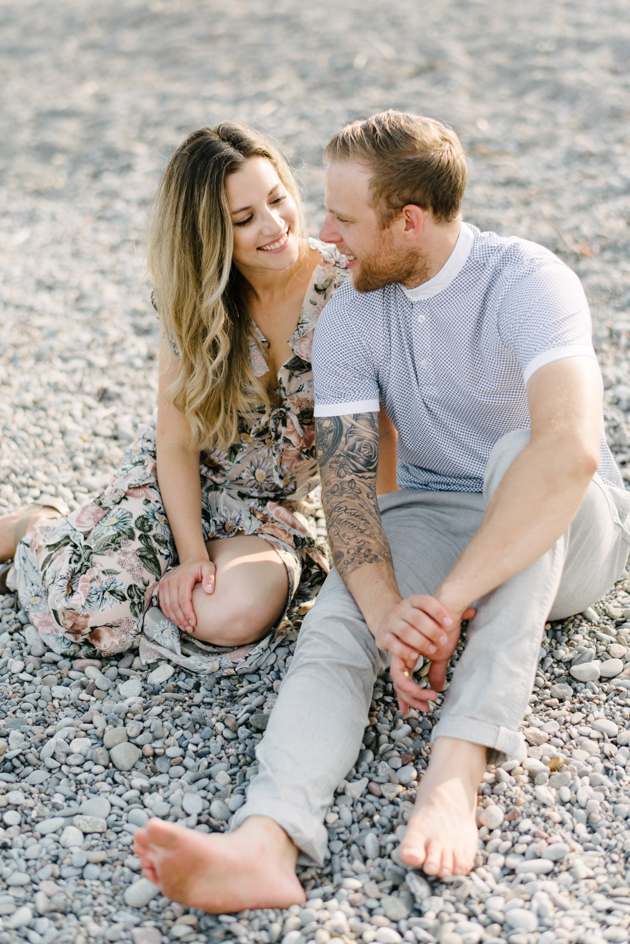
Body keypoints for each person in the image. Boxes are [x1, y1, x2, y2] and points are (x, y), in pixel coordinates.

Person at [133, 110, 630, 912]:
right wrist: (391, 609)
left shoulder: (528, 282)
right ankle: (268, 836)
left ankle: (456, 770)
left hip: (577, 532)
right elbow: (350, 493)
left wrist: (447, 600)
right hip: (435, 509)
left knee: (521, 460)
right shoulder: (352, 317)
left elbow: (568, 453)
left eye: (343, 218)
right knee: (340, 626)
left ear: (409, 221)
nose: (323, 234)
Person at [0, 122, 398, 657]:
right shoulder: (192, 302)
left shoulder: (346, 287)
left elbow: (382, 434)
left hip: (268, 511)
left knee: (230, 616)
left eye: (278, 199)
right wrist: (192, 556)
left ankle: (120, 556)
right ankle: (38, 526)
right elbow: (178, 442)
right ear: (209, 233)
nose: (275, 224)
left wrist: (389, 554)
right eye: (244, 219)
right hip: (181, 484)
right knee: (96, 612)